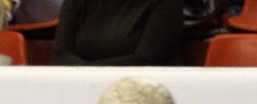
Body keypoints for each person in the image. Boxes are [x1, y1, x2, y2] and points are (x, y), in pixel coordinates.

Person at [52, 0, 181, 66]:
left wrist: (89, 71)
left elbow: (148, 59)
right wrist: (88, 73)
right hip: (82, 88)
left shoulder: (165, 2)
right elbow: (61, 54)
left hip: (141, 92)